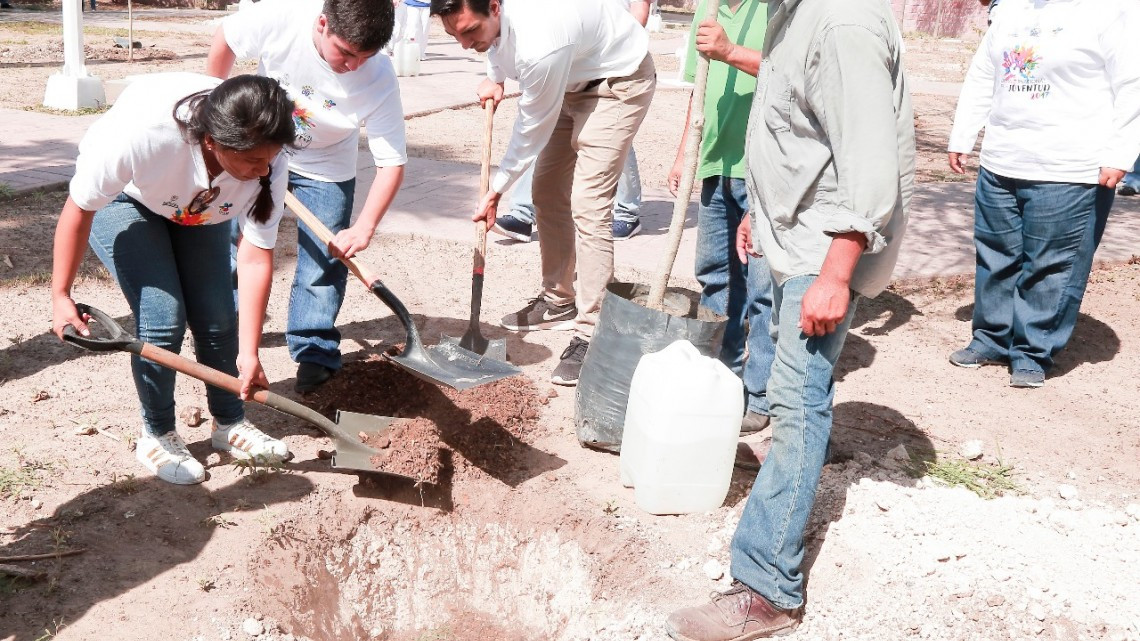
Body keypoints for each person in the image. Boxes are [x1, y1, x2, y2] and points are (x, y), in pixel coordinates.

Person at [666, 0, 914, 637]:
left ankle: (768, 589)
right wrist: (762, 209)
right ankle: (776, 520)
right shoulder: (791, 12)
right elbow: (794, 124)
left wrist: (836, 273)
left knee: (799, 400)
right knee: (784, 394)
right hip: (791, 231)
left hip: (823, 245)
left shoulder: (842, 22)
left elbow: (869, 163)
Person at [51, 73, 297, 486]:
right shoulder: (144, 138)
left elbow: (254, 259)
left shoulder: (267, 162)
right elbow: (79, 209)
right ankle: (158, 433)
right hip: (129, 197)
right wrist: (60, 293)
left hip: (197, 207)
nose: (263, 170)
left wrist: (251, 353)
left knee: (217, 315)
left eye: (269, 159)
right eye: (253, 161)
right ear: (213, 141)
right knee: (163, 316)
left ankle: (229, 424)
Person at [431, 0, 656, 386]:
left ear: (495, 7)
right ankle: (558, 300)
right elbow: (496, 48)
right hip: (572, 76)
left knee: (589, 204)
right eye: (455, 36)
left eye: (470, 32)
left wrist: (496, 190)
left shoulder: (541, 43)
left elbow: (531, 129)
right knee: (547, 191)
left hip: (618, 82)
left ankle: (593, 332)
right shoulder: (500, 27)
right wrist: (496, 75)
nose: (465, 44)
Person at [207, 0, 408, 393]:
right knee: (237, 242)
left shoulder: (379, 76)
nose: (352, 66)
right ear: (322, 24)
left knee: (324, 258)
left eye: (363, 58)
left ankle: (314, 350)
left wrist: (364, 228)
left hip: (328, 166)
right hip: (262, 146)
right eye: (346, 53)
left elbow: (392, 161)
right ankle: (227, 336)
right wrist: (214, 108)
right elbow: (225, 38)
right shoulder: (282, 15)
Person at [946, 0, 1140, 388]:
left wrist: (1120, 156)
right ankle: (991, 339)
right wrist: (963, 135)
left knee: (1053, 265)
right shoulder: (1010, 9)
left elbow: (1133, 84)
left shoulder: (1113, 9)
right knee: (995, 255)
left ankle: (1033, 350)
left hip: (1069, 167)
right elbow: (984, 74)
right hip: (1002, 161)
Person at [668, 0, 774, 435]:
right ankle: (721, 379)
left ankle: (762, 394)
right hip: (716, 166)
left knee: (764, 288)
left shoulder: (774, 8)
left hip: (764, 167)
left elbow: (793, 77)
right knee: (715, 277)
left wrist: (731, 51)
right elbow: (700, 89)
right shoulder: (707, 9)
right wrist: (683, 156)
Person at [493, 0, 650, 244]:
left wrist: (621, 46)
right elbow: (498, 24)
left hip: (610, 65)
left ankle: (626, 211)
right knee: (541, 131)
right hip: (568, 61)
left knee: (609, 145)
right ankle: (523, 212)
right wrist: (496, 76)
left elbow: (639, 5)